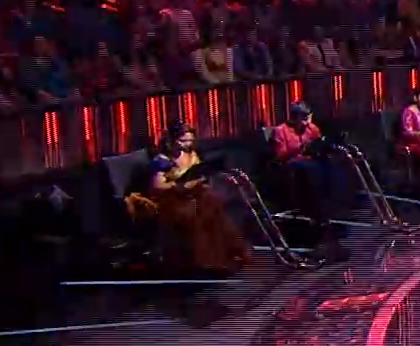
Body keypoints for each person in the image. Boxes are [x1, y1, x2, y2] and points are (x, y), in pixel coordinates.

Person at [142, 123, 251, 275]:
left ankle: (224, 256)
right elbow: (157, 187)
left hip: (192, 194)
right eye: (183, 141)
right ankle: (205, 261)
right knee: (197, 213)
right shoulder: (162, 160)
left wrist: (200, 178)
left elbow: (198, 173)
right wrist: (181, 186)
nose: (188, 144)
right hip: (171, 199)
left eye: (190, 140)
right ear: (170, 141)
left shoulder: (192, 154)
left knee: (213, 204)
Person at [270, 102, 348, 261]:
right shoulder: (280, 131)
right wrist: (301, 147)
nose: (307, 122)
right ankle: (317, 214)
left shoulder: (312, 129)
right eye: (303, 118)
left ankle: (332, 209)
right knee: (310, 169)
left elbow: (319, 146)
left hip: (312, 162)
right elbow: (280, 156)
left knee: (332, 166)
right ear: (294, 118)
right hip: (291, 166)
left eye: (308, 118)